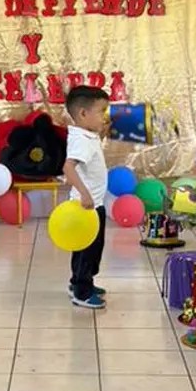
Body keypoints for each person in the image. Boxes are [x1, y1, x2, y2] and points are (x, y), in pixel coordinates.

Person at [62, 86, 111, 310]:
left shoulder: (86, 135)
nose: (104, 116)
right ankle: (82, 291)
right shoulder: (82, 140)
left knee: (85, 248)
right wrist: (84, 194)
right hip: (88, 206)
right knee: (88, 251)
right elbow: (68, 168)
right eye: (101, 111)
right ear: (83, 114)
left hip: (92, 205)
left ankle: (79, 283)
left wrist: (102, 132)